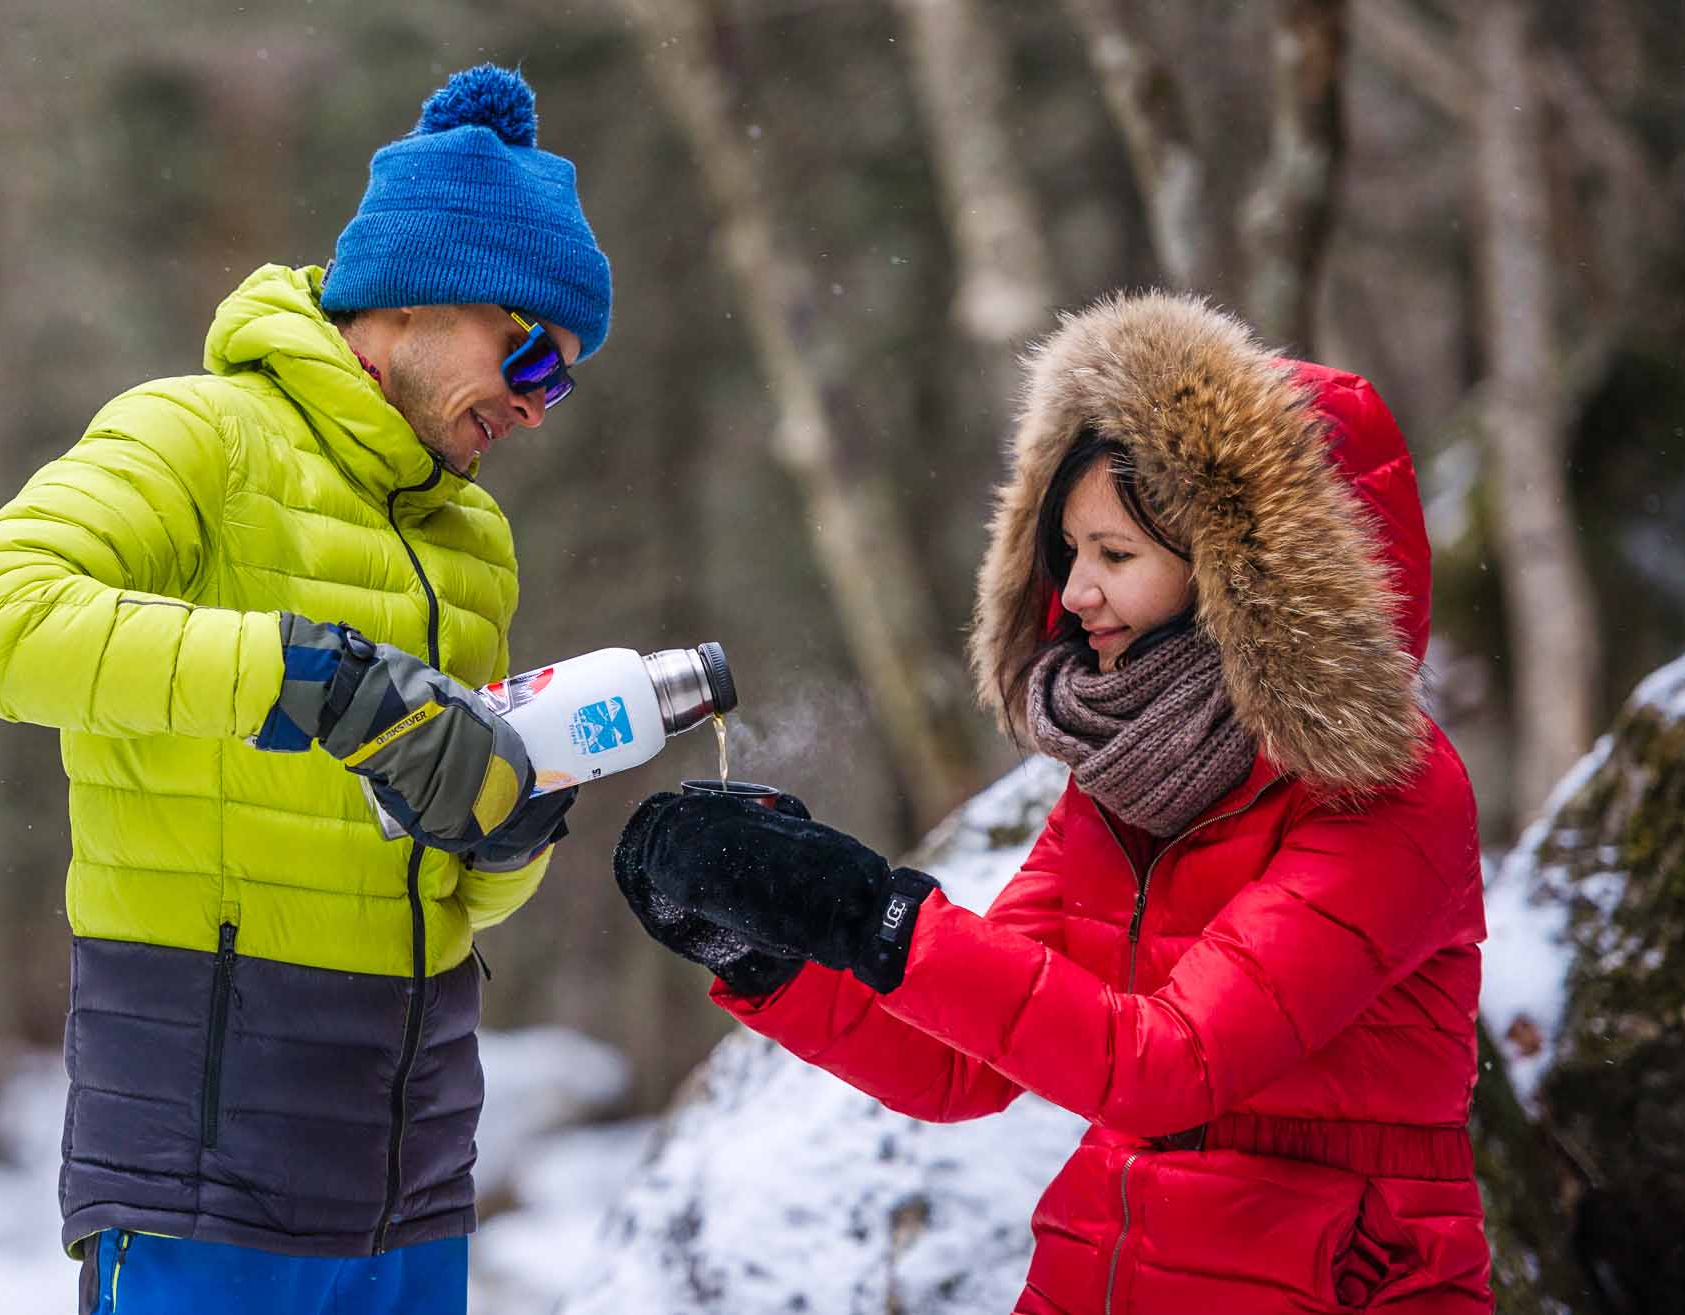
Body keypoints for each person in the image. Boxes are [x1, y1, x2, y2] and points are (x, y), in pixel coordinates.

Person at [614, 292, 1492, 1314]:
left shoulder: (1385, 797)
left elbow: (1168, 1064)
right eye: (1069, 552)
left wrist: (869, 911)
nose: (1075, 593)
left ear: (1239, 579)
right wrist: (770, 947)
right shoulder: (1128, 786)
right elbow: (962, 1065)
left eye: (1115, 555)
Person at [0, 63, 609, 1315]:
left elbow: (456, 890)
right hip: (208, 1172)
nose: (534, 406)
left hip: (412, 1186)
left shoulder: (474, 541)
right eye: (527, 356)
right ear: (413, 296)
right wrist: (306, 677)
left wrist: (509, 829)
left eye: (559, 381)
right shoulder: (200, 435)